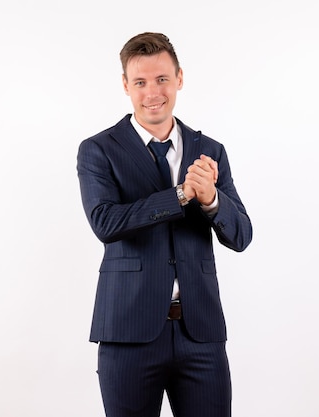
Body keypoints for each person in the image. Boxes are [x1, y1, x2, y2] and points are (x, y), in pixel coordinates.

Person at [76, 32, 253, 417]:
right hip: (128, 331)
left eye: (162, 80)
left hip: (200, 332)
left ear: (179, 79)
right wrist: (180, 195)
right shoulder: (98, 149)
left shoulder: (210, 150)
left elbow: (241, 235)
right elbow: (105, 222)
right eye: (140, 82)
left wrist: (211, 200)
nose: (152, 92)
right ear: (125, 85)